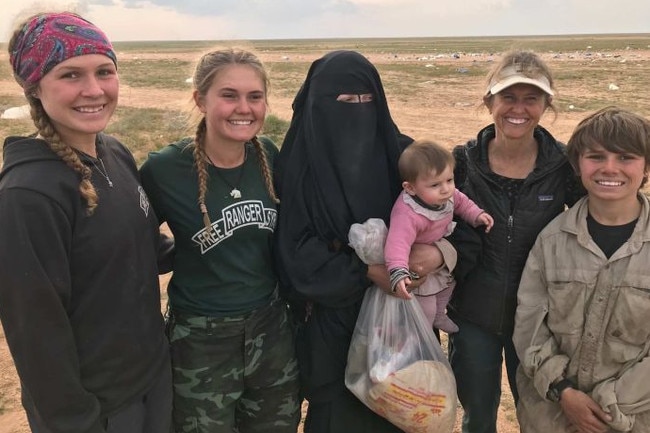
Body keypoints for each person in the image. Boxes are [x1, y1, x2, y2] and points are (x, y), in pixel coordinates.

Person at [0, 11, 172, 433]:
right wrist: (78, 421)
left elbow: (142, 247)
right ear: (35, 87)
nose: (93, 90)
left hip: (152, 378)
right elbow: (36, 332)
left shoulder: (113, 153)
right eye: (71, 74)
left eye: (104, 71)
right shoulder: (28, 195)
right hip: (99, 408)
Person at [274, 50, 445, 433]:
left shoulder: (404, 156)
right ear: (318, 103)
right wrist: (368, 271)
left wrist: (436, 253)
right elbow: (295, 256)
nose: (358, 109)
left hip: (402, 331)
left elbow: (452, 218)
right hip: (331, 333)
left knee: (406, 413)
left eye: (368, 99)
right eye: (345, 101)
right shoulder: (298, 167)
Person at [139, 48, 301, 433]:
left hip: (271, 329)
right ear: (201, 99)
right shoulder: (164, 169)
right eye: (229, 95)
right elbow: (134, 242)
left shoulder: (271, 157)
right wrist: (179, 254)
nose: (243, 108)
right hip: (199, 339)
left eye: (254, 96)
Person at [445, 50, 585, 433]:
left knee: (540, 418)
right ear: (489, 100)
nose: (518, 109)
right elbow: (424, 219)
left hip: (542, 321)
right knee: (478, 416)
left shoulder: (562, 166)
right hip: (472, 316)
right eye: (508, 97)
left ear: (546, 104)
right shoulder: (461, 164)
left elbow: (596, 223)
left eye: (531, 98)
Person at [513, 106, 650, 433]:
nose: (610, 168)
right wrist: (564, 391)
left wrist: (611, 402)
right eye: (597, 157)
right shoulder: (550, 241)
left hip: (632, 419)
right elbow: (529, 324)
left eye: (626, 157)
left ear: (646, 168)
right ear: (577, 164)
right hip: (551, 416)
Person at [384, 139, 494, 333]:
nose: (446, 189)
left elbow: (462, 203)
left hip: (440, 253)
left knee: (449, 285)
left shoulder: (446, 195)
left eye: (449, 180)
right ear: (410, 188)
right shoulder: (408, 213)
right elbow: (397, 243)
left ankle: (438, 316)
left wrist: (477, 215)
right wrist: (398, 271)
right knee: (425, 303)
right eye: (435, 185)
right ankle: (422, 334)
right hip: (420, 267)